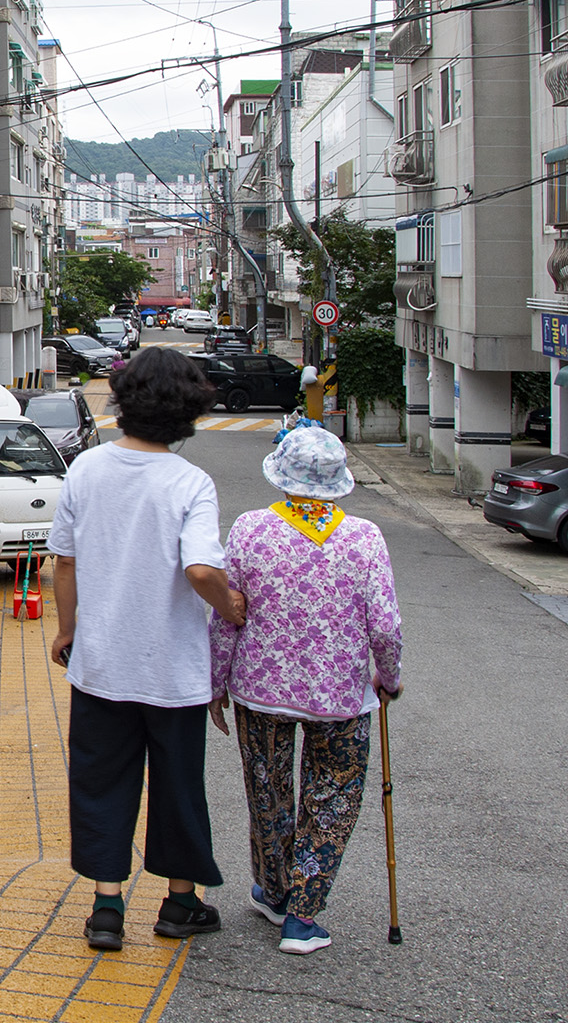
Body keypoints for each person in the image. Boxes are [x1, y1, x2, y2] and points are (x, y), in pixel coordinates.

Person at [48, 347, 247, 953]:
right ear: (189, 411)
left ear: (123, 400)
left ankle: (107, 909)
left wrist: (67, 630)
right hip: (173, 672)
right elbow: (201, 570)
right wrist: (231, 607)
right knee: (178, 785)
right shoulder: (189, 482)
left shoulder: (86, 469)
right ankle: (180, 903)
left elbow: (65, 562)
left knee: (101, 782)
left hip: (101, 664)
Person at [210, 426, 401, 956]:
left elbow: (227, 615)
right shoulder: (364, 537)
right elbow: (385, 627)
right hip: (340, 696)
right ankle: (303, 914)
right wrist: (389, 676)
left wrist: (216, 682)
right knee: (332, 795)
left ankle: (274, 892)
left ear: (281, 476)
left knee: (267, 791)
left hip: (260, 691)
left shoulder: (250, 529)